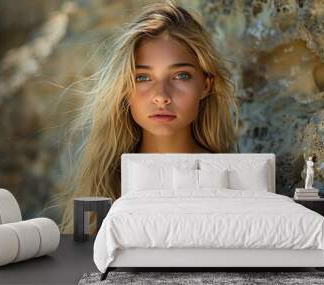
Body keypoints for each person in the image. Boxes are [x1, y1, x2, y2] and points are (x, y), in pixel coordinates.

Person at [55, 0, 239, 233]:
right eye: (142, 77)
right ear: (124, 88)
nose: (161, 96)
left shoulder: (231, 179)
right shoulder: (106, 185)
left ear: (206, 85)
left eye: (180, 75)